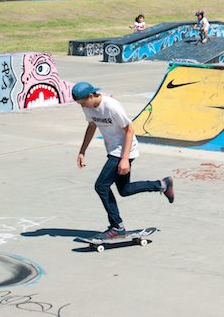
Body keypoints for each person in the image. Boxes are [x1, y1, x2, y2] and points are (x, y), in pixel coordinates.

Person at [74, 81, 174, 240]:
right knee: (125, 189)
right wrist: (82, 151)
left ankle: (117, 226)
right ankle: (162, 184)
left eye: (83, 102)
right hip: (113, 150)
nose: (82, 106)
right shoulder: (89, 107)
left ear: (91, 96)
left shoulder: (111, 106)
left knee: (101, 185)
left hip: (124, 150)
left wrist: (125, 159)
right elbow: (91, 127)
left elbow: (130, 130)